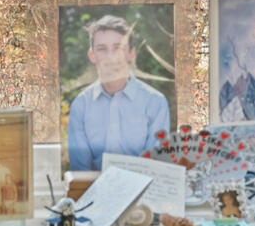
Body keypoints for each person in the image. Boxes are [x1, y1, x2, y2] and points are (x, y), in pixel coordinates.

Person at [65, 14, 174, 170]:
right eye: (102, 49)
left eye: (118, 48)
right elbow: (80, 171)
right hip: (95, 185)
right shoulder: (81, 105)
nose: (111, 57)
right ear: (92, 55)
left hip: (143, 185)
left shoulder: (155, 102)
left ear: (131, 54)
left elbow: (156, 168)